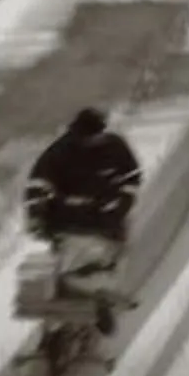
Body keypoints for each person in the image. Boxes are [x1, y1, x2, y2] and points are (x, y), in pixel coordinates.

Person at [25, 108, 140, 338]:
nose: (96, 140)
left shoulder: (112, 147)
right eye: (92, 137)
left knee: (103, 260)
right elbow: (39, 184)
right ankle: (96, 303)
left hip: (98, 221)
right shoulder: (62, 152)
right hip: (72, 222)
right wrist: (38, 214)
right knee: (81, 263)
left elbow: (131, 178)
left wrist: (121, 205)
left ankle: (92, 301)